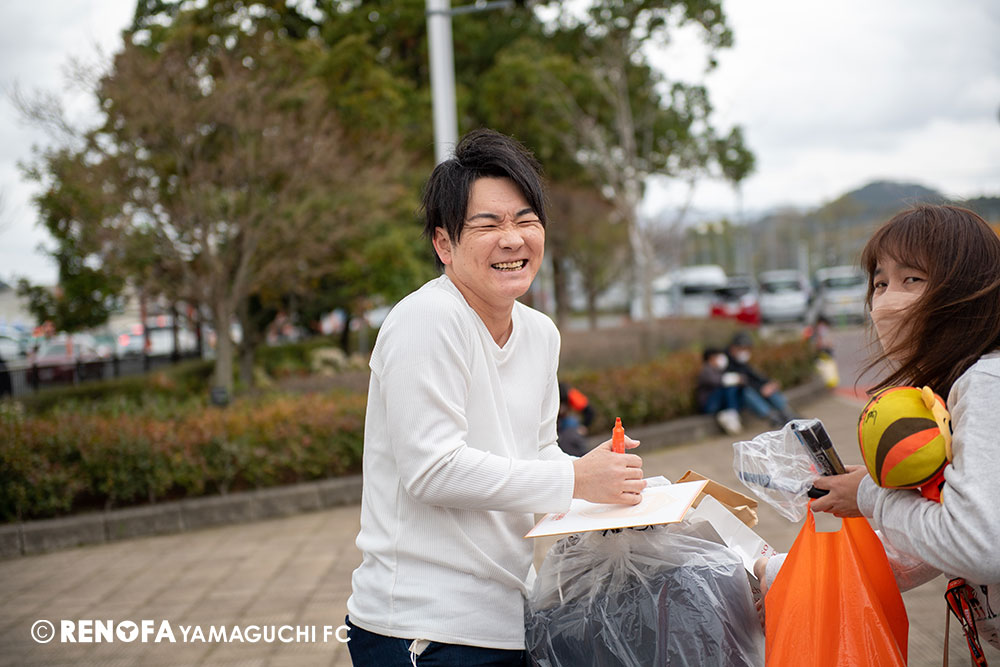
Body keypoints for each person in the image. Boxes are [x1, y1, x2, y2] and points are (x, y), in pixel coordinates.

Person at [345, 128, 646, 666]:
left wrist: (607, 486)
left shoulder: (540, 333)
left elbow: (538, 453)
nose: (512, 240)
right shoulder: (427, 319)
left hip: (509, 616)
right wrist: (576, 481)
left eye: (525, 220)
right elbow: (433, 470)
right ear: (444, 244)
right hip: (422, 628)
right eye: (488, 225)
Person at [757, 205, 1000, 652]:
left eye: (913, 279)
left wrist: (869, 497)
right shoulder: (954, 387)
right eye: (881, 283)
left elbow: (977, 545)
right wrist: (775, 573)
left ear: (969, 288)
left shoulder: (986, 384)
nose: (887, 301)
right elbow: (924, 546)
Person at [726, 332, 796, 427]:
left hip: (753, 390)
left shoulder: (741, 363)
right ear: (734, 348)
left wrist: (770, 384)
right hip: (738, 397)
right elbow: (741, 382)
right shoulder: (726, 363)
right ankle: (773, 417)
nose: (746, 352)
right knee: (749, 392)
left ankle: (788, 414)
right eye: (743, 349)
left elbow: (755, 377)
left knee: (769, 388)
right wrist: (760, 388)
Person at [695, 347, 743, 435]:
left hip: (717, 403)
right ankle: (732, 413)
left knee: (737, 390)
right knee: (729, 388)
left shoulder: (719, 369)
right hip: (709, 405)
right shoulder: (706, 370)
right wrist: (734, 379)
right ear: (711, 358)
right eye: (718, 356)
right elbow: (717, 381)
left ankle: (731, 413)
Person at [556, 382, 595, 456]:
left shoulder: (570, 394)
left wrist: (584, 426)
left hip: (566, 424)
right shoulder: (545, 396)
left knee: (571, 424)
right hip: (554, 424)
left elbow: (589, 412)